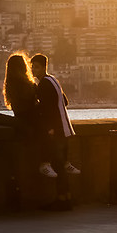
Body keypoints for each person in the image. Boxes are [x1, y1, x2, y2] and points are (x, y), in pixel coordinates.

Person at [28, 52, 76, 198]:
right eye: (32, 67)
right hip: (65, 128)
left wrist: (49, 127)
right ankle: (66, 198)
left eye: (35, 67)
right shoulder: (54, 80)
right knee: (61, 165)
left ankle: (62, 200)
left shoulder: (43, 84)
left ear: (43, 67)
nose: (33, 70)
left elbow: (44, 109)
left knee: (58, 166)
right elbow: (65, 102)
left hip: (56, 130)